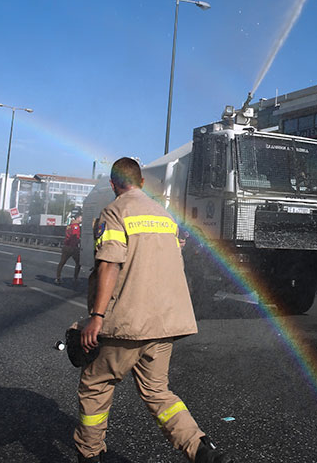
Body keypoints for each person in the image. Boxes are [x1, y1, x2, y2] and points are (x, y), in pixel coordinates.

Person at [75, 157, 232, 463]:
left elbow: (109, 264)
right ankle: (200, 448)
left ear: (112, 184)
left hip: (129, 321)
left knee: (96, 384)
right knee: (157, 391)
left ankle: (90, 454)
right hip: (166, 321)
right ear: (143, 183)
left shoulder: (115, 211)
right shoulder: (164, 215)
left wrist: (96, 317)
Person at [56, 214, 83, 285]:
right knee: (78, 263)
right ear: (77, 218)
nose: (81, 220)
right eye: (81, 218)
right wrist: (78, 244)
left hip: (66, 246)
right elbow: (74, 237)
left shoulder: (69, 225)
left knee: (62, 263)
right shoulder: (76, 226)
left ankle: (58, 278)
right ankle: (75, 278)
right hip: (72, 247)